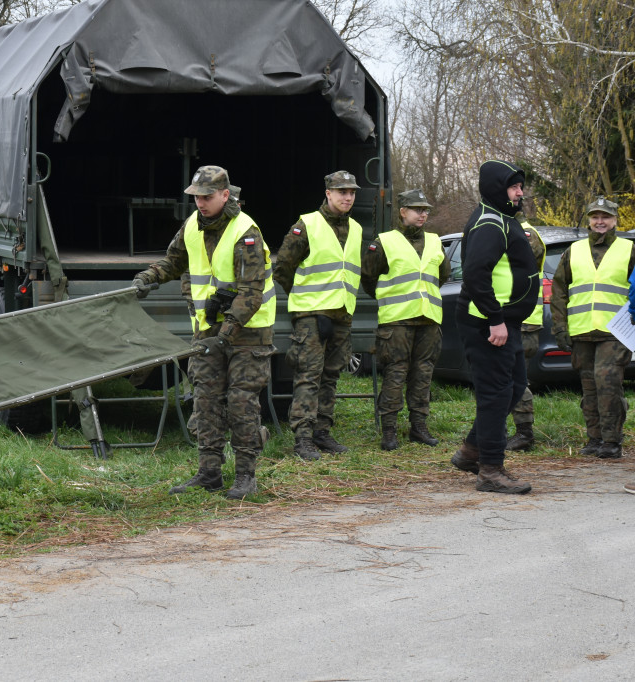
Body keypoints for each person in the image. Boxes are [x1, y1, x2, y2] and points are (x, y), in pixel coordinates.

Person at [133, 166, 275, 499]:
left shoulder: (246, 231)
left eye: (207, 197)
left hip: (247, 335)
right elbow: (173, 261)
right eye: (196, 197)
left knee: (241, 403)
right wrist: (147, 277)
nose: (201, 203)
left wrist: (224, 336)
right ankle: (209, 472)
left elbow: (251, 294)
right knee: (206, 402)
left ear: (225, 195)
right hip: (206, 332)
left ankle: (245, 476)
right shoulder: (191, 227)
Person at [449, 160, 539, 494]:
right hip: (488, 324)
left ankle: (471, 452)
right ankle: (490, 470)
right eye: (514, 187)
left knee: (513, 388)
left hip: (505, 322)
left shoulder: (501, 216)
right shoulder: (490, 222)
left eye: (519, 187)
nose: (520, 193)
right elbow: (475, 273)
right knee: (496, 395)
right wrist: (495, 319)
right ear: (497, 188)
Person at [272, 170, 363, 460]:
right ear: (328, 193)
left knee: (331, 375)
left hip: (342, 313)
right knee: (309, 375)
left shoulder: (357, 229)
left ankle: (322, 432)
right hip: (312, 314)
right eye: (341, 192)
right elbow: (283, 268)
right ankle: (303, 438)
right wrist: (306, 302)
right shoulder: (307, 225)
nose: (347, 197)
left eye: (351, 193)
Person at [360, 189, 449, 450]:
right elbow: (368, 278)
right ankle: (389, 431)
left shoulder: (435, 241)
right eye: (417, 209)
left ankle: (419, 427)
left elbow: (440, 276)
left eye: (426, 210)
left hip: (429, 319)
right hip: (396, 321)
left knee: (423, 374)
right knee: (395, 375)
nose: (423, 214)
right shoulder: (384, 241)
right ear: (402, 211)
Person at [551, 195, 635, 459]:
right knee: (589, 386)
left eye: (606, 217)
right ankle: (594, 438)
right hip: (581, 331)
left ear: (614, 220)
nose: (600, 221)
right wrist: (560, 328)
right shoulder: (573, 251)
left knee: (607, 382)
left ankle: (612, 441)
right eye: (595, 217)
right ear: (588, 219)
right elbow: (559, 292)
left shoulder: (628, 249)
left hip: (615, 332)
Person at [505, 212, 546, 451]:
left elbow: (518, 269)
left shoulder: (524, 233)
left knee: (515, 378)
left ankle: (524, 433)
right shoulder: (507, 229)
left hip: (522, 321)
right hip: (509, 319)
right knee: (505, 377)